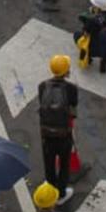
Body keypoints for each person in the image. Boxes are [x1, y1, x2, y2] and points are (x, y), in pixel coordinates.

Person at [38, 55, 78, 195]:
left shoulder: (42, 86)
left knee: (49, 164)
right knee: (64, 164)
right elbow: (73, 107)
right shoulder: (71, 88)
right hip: (64, 134)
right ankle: (61, 192)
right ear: (66, 71)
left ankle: (49, 189)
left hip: (46, 134)